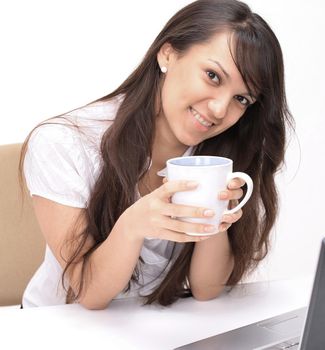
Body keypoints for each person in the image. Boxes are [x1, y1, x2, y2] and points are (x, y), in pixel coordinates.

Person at [19, 0, 293, 309]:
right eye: (213, 76)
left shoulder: (216, 157)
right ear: (167, 54)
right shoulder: (64, 142)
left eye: (241, 98)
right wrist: (134, 224)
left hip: (148, 329)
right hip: (54, 329)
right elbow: (89, 294)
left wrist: (215, 216)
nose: (219, 110)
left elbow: (206, 289)